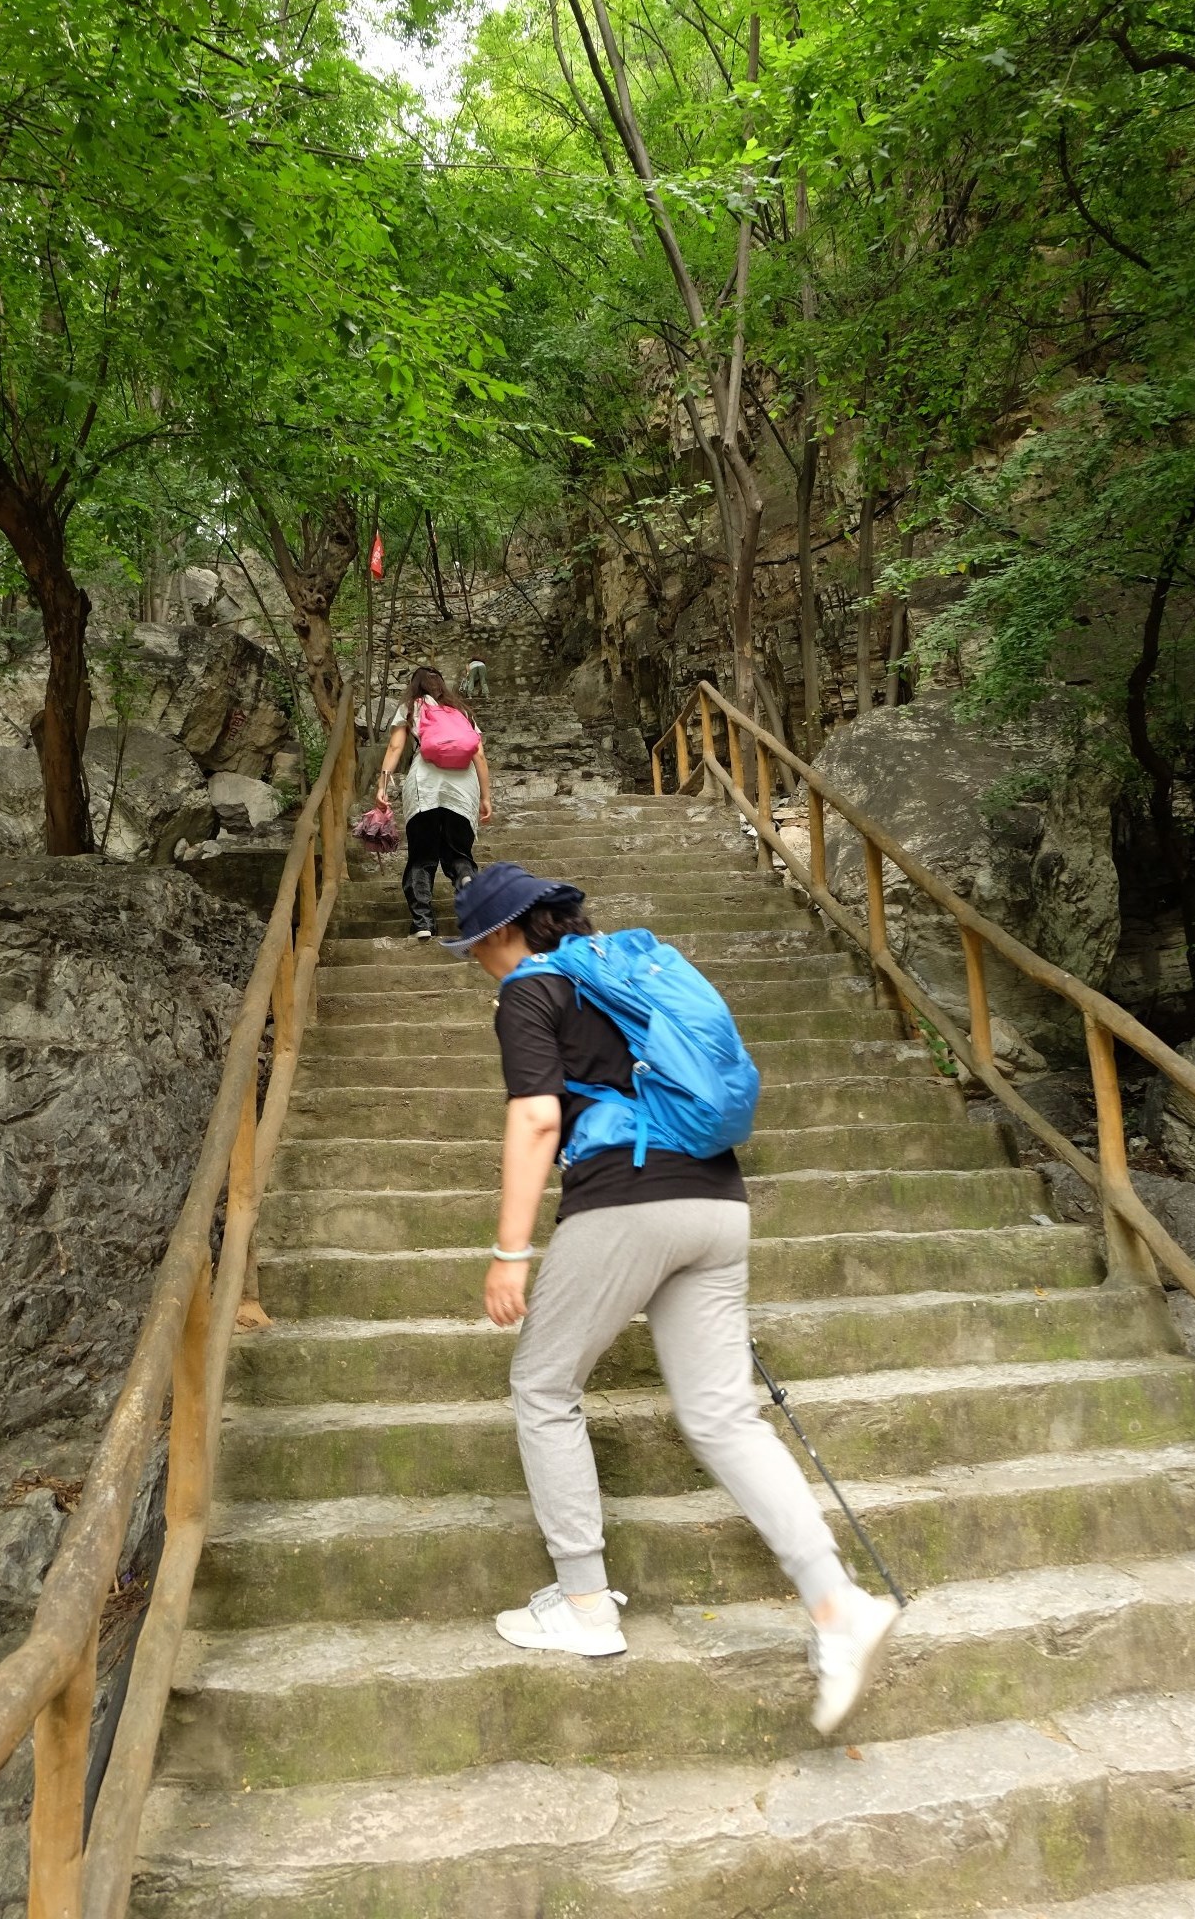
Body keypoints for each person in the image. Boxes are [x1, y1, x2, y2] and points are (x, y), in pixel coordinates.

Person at [443, 862, 903, 1737]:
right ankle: (835, 1605)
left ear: (503, 933)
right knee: (724, 1415)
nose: (476, 961)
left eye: (475, 946)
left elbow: (538, 1119)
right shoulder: (629, 974)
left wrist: (510, 1251)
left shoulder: (529, 993)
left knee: (543, 1387)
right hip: (717, 1205)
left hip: (628, 1200)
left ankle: (583, 1604)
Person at [376, 666, 492, 940]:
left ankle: (422, 922)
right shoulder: (462, 712)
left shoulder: (410, 708)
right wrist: (485, 797)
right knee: (459, 854)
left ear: (415, 686)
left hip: (424, 786)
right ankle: (466, 882)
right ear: (442, 685)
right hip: (463, 788)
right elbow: (479, 756)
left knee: (422, 855)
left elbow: (395, 748)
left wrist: (382, 785)